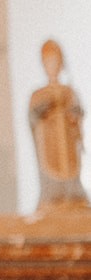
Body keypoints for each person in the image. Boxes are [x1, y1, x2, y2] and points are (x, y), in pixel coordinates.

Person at [29, 38, 89, 208]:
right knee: (52, 177)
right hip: (50, 144)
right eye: (48, 62)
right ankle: (53, 198)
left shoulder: (69, 91)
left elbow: (78, 114)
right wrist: (47, 106)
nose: (52, 66)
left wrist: (72, 115)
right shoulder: (38, 94)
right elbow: (33, 118)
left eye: (55, 62)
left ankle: (74, 197)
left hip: (68, 145)